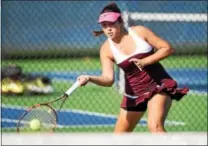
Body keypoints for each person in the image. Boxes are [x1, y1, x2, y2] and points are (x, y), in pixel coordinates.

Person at [77, 2, 189, 133]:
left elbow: (167, 48)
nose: (108, 29)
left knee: (155, 126)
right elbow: (108, 79)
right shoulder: (106, 49)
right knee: (119, 138)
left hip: (157, 85)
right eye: (104, 25)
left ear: (120, 21)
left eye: (111, 24)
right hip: (134, 94)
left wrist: (146, 61)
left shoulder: (140, 32)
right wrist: (89, 78)